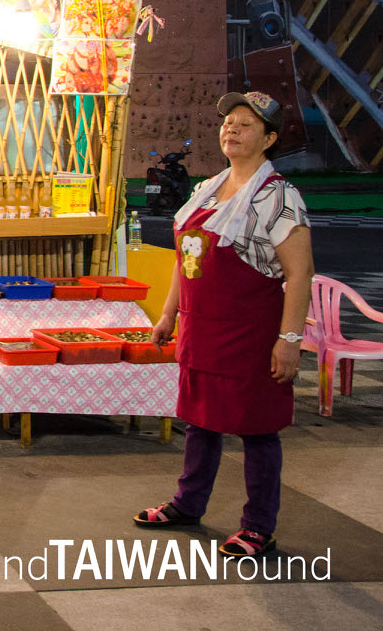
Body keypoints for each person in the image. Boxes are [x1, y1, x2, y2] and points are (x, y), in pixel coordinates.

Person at [134, 91, 314, 557]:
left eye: (246, 124)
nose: (231, 129)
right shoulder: (206, 190)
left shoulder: (279, 198)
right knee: (200, 423)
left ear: (270, 138)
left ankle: (258, 526)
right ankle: (187, 504)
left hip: (251, 334)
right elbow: (185, 260)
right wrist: (169, 313)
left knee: (257, 431)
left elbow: (300, 274)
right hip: (201, 329)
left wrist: (289, 339)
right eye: (228, 122)